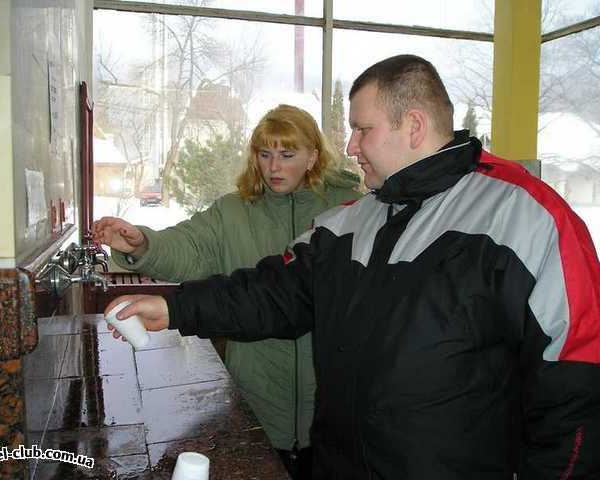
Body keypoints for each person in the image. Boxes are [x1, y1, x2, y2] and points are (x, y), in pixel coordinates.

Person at [104, 55, 600, 479]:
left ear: (414, 126)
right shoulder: (352, 220)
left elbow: (576, 389)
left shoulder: (529, 218)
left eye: (362, 129)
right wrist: (174, 308)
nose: (349, 146)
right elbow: (274, 293)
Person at [92, 104, 360, 479]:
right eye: (264, 155)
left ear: (313, 155)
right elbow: (190, 246)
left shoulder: (347, 210)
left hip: (333, 410)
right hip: (256, 400)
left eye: (287, 155)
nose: (273, 167)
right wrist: (141, 243)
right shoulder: (234, 211)